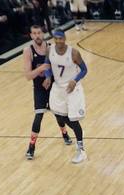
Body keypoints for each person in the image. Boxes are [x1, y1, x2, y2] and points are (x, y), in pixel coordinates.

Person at [23, 24, 74, 160]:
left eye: (39, 33)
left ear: (43, 33)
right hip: (39, 89)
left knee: (60, 115)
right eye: (34, 33)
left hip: (53, 87)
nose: (37, 36)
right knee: (38, 116)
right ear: (31, 35)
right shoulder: (28, 51)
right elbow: (28, 76)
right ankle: (31, 147)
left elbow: (58, 68)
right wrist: (41, 69)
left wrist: (48, 75)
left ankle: (65, 134)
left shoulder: (51, 48)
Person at [47, 28, 86, 163]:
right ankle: (70, 136)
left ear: (65, 39)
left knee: (73, 120)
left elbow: (84, 70)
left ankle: (81, 150)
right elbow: (48, 64)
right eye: (56, 38)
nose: (58, 41)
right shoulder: (49, 50)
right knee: (59, 115)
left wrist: (75, 80)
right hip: (58, 88)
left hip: (72, 88)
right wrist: (47, 76)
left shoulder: (74, 53)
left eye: (61, 38)